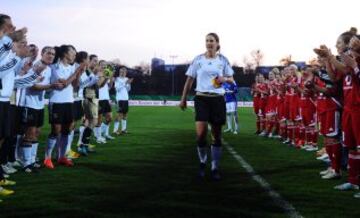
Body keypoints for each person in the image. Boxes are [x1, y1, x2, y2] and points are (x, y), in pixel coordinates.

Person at [179, 32, 234, 180]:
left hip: (218, 100)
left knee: (216, 136)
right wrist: (183, 98)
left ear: (217, 44)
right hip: (201, 99)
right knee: (201, 134)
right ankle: (203, 162)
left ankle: (215, 167)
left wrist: (224, 79)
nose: (209, 43)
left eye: (212, 41)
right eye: (207, 41)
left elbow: (232, 80)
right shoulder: (198, 60)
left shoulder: (223, 60)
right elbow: (189, 80)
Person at [113, 67, 133, 135]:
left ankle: (123, 130)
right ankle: (115, 130)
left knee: (125, 114)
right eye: (121, 71)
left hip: (125, 99)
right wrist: (125, 83)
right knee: (119, 115)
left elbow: (128, 89)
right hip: (119, 99)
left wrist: (128, 84)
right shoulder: (117, 79)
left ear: (126, 72)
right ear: (119, 72)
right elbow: (117, 89)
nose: (123, 73)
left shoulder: (127, 79)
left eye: (124, 72)